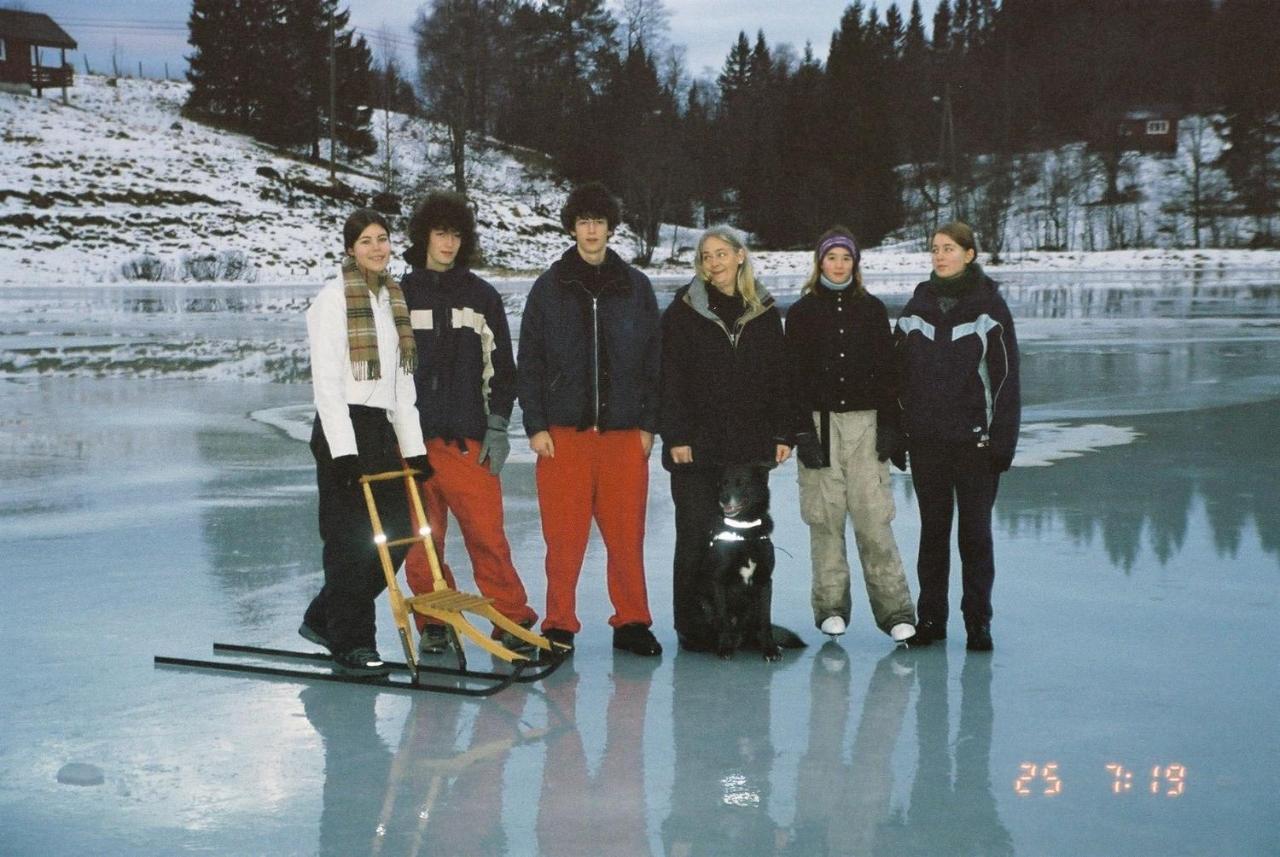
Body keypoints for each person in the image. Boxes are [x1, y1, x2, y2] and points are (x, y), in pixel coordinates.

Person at [516, 182, 662, 656]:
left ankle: (633, 622)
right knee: (564, 538)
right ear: (572, 227)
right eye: (583, 221)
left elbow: (653, 361)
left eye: (599, 221)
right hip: (564, 436)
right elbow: (531, 359)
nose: (591, 229)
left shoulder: (635, 287)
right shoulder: (550, 287)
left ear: (611, 228)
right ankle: (559, 623)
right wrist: (535, 425)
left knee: (625, 536)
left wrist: (647, 425)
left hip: (623, 435)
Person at [398, 192, 538, 656]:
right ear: (425, 237)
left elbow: (503, 369)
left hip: (466, 444)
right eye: (441, 233)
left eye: (457, 234)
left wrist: (497, 426)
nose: (449, 243)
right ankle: (435, 621)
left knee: (488, 538)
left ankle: (513, 620)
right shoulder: (400, 294)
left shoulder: (482, 296)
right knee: (421, 543)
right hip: (413, 443)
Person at [299, 208, 432, 677]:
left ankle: (324, 616)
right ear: (350, 249)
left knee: (399, 533)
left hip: (380, 429)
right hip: (342, 430)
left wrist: (414, 448)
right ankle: (352, 642)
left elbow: (402, 385)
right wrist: (343, 453)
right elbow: (327, 386)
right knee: (351, 543)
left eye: (383, 239)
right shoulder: (332, 301)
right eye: (366, 241)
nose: (377, 248)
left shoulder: (392, 298)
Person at [658, 225, 793, 650]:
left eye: (721, 253)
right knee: (697, 537)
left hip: (749, 451)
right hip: (697, 448)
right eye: (705, 256)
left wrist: (782, 433)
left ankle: (746, 622)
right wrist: (676, 435)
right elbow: (669, 379)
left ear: (740, 256)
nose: (713, 262)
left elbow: (780, 379)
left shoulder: (764, 311)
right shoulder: (682, 312)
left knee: (747, 540)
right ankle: (693, 626)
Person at [785, 227, 920, 647]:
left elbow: (891, 374)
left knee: (873, 521)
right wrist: (801, 431)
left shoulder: (872, 310)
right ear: (819, 262)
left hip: (866, 425)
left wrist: (892, 427)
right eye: (831, 258)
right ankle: (831, 609)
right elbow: (790, 379)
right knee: (824, 521)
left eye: (846, 258)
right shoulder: (804, 312)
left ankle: (896, 612)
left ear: (855, 264)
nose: (839, 265)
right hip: (820, 425)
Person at [894, 221, 1020, 651]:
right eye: (934, 249)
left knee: (975, 537)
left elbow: (1005, 382)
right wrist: (897, 432)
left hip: (975, 446)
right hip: (927, 443)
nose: (940, 256)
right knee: (932, 536)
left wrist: (1002, 441)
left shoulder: (989, 309)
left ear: (969, 254)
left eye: (949, 248)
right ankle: (931, 619)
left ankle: (977, 622)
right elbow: (897, 377)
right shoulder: (915, 307)